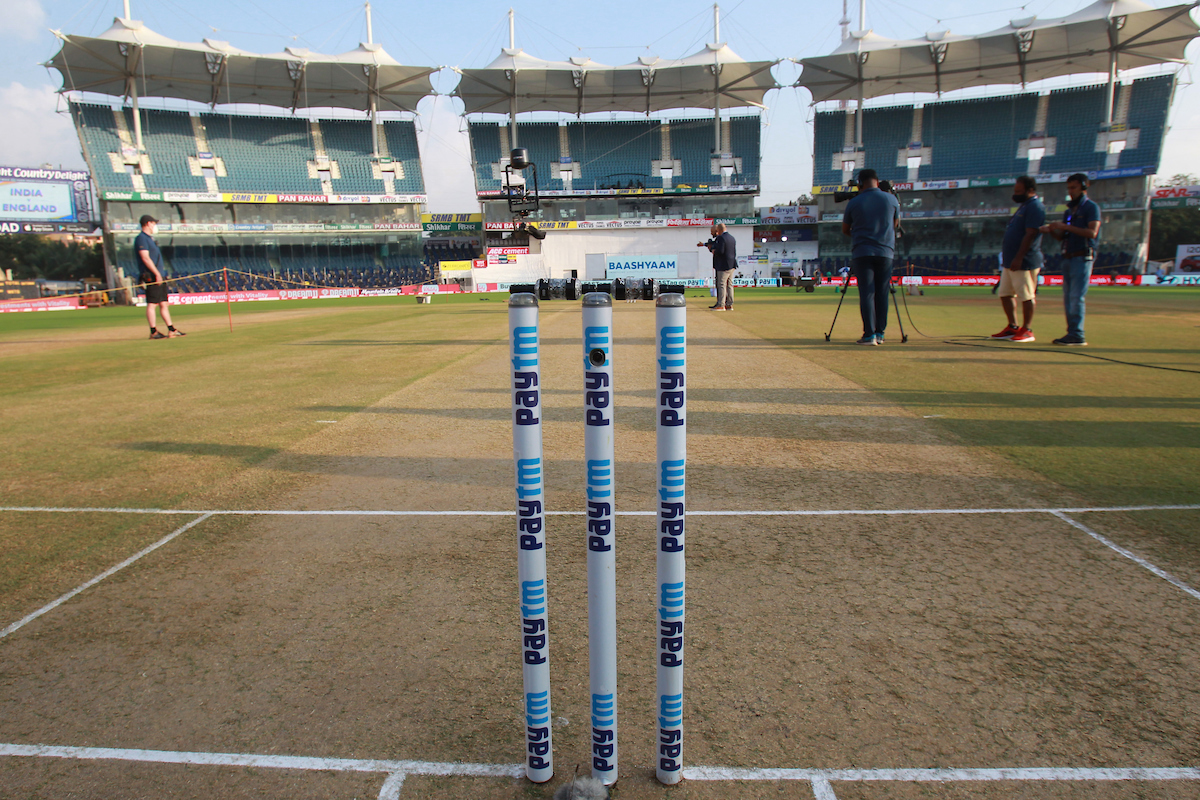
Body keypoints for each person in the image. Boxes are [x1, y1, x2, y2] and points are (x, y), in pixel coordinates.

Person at [1041, 173, 1101, 346]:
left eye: (1074, 187)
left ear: (1084, 186)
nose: (1070, 191)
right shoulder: (1069, 211)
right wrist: (1052, 229)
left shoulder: (1091, 207)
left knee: (1076, 297)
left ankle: (1077, 333)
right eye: (1068, 188)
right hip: (1068, 255)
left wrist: (1064, 226)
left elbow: (1092, 233)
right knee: (1068, 297)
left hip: (1082, 256)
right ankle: (1072, 332)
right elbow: (1062, 236)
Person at [841, 169, 900, 345]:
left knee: (867, 293)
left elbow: (845, 229)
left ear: (860, 183)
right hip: (885, 252)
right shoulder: (891, 199)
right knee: (882, 293)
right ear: (877, 181)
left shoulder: (855, 202)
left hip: (862, 252)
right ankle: (880, 333)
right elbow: (895, 224)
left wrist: (861, 235)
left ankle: (869, 334)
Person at [991, 176, 1045, 343]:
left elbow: (1031, 234)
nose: (1015, 194)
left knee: (1026, 295)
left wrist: (1019, 257)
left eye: (1018, 191)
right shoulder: (1023, 207)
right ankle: (1012, 326)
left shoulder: (1035, 207)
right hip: (1010, 261)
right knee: (1005, 293)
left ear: (1030, 190)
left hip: (1023, 261)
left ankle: (1027, 329)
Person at [134, 214, 185, 339]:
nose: (155, 226)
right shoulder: (141, 238)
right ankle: (153, 331)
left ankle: (171, 329)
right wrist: (156, 273)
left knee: (163, 303)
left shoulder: (150, 239)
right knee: (152, 303)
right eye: (154, 223)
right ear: (148, 223)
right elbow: (145, 258)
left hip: (159, 275)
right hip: (151, 275)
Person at [698, 222, 737, 310]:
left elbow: (720, 251)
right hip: (732, 264)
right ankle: (729, 304)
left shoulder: (721, 238)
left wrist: (712, 250)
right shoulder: (732, 238)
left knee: (721, 284)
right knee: (729, 285)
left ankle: (721, 304)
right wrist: (705, 244)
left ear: (718, 230)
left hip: (723, 265)